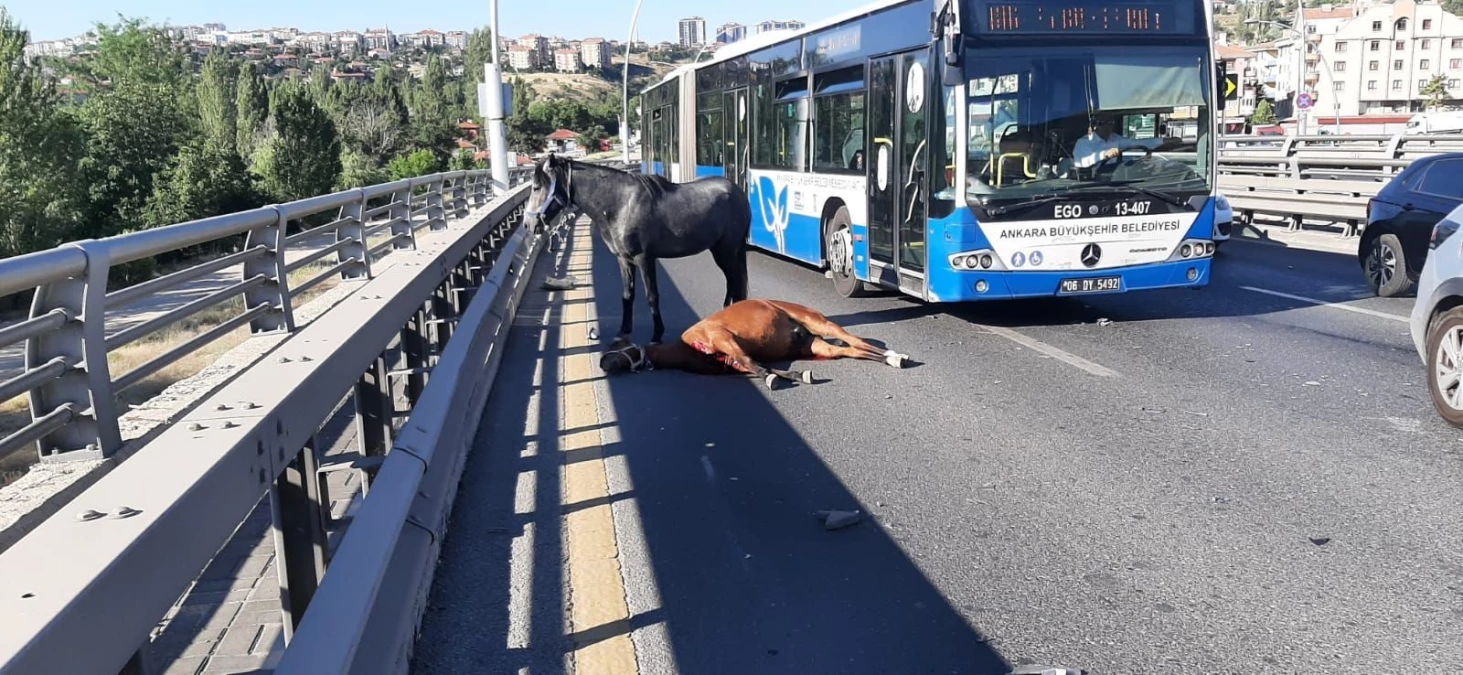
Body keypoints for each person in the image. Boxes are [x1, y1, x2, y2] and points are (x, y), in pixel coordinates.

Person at [1072, 116, 1167, 168]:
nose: (1108, 127)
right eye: (1103, 123)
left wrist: (1164, 141)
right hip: (1091, 184)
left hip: (1116, 180)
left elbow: (1135, 143)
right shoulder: (1083, 142)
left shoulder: (1115, 139)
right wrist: (1104, 154)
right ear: (1095, 126)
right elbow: (1081, 162)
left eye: (1111, 123)